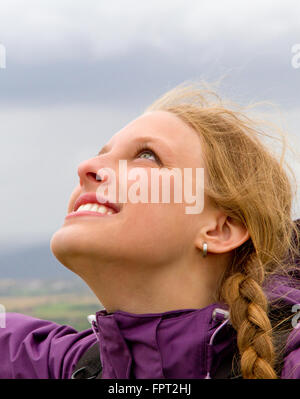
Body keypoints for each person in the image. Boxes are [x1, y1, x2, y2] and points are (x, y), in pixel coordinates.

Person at [1, 81, 300, 379]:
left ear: (220, 229)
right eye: (101, 153)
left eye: (146, 156)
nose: (86, 167)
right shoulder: (69, 366)